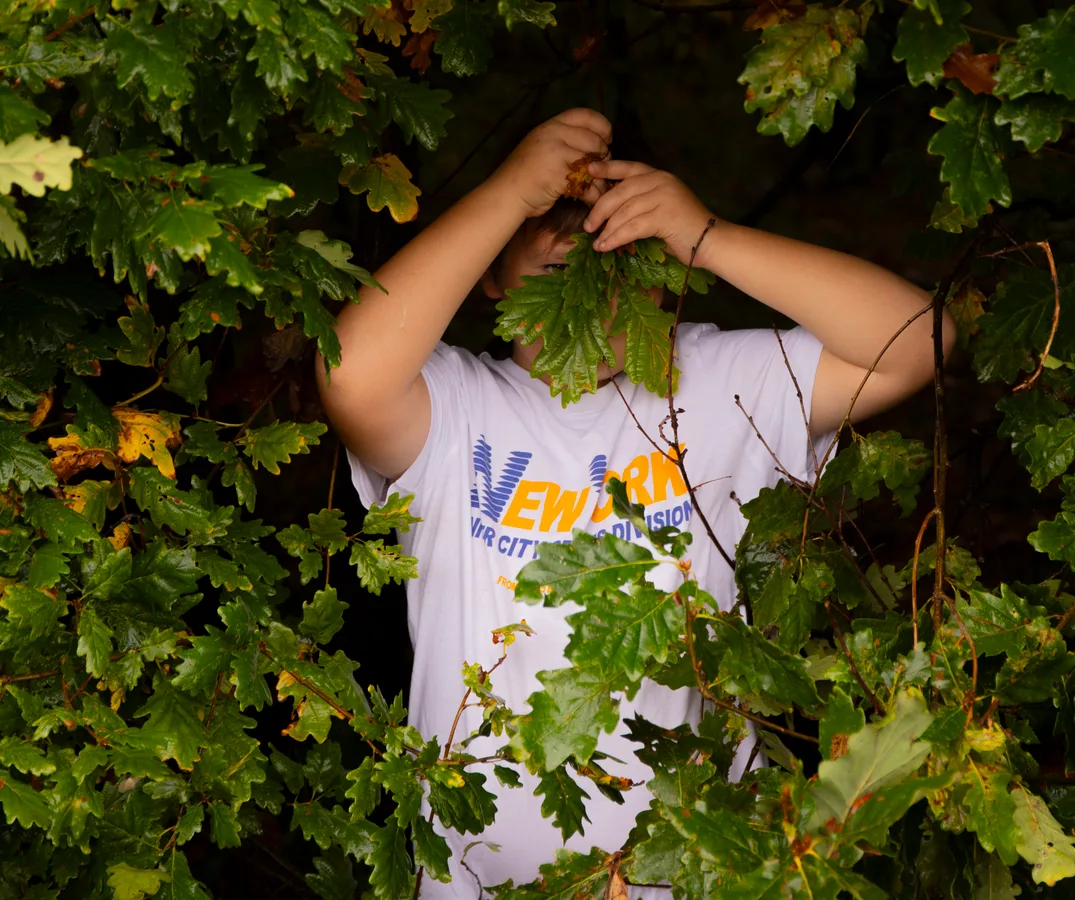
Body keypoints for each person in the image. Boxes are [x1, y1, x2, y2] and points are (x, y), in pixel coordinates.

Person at [317, 108, 951, 897]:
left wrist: (706, 233)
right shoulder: (451, 409)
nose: (583, 248)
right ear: (491, 269)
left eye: (615, 242)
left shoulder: (716, 387)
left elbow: (918, 339)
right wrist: (512, 189)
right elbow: (350, 375)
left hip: (696, 875)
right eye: (552, 230)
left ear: (660, 267)